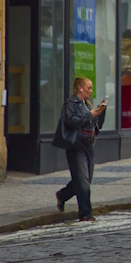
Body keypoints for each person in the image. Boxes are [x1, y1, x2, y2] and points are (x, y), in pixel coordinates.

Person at [54, 76, 107, 222]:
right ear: (80, 88)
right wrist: (90, 115)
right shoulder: (70, 103)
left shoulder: (87, 105)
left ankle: (62, 195)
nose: (91, 91)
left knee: (85, 179)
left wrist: (101, 112)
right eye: (89, 88)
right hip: (76, 145)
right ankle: (85, 214)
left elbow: (97, 125)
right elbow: (71, 121)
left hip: (89, 145)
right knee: (82, 181)